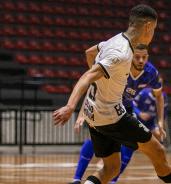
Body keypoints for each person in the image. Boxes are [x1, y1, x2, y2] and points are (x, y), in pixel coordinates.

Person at [53, 4, 171, 184]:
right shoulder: (121, 53)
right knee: (158, 151)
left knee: (111, 168)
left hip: (94, 115)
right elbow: (87, 75)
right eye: (153, 29)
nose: (153, 34)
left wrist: (101, 81)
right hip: (111, 117)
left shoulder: (113, 41)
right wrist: (70, 107)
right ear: (147, 26)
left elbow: (89, 53)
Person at [70, 44, 165, 184]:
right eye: (137, 56)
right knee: (92, 137)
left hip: (126, 109)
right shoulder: (118, 65)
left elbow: (159, 96)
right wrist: (81, 115)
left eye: (144, 57)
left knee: (132, 142)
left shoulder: (150, 72)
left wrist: (161, 120)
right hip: (107, 105)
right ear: (130, 56)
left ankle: (113, 181)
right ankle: (76, 179)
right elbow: (94, 85)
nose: (140, 60)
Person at [109, 87, 168, 183]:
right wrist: (140, 114)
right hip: (137, 121)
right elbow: (131, 104)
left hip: (149, 123)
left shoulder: (162, 96)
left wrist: (162, 122)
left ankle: (154, 156)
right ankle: (112, 175)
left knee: (159, 135)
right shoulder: (144, 93)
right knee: (125, 149)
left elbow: (164, 111)